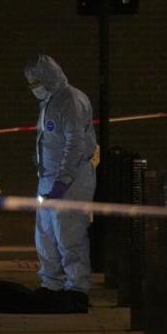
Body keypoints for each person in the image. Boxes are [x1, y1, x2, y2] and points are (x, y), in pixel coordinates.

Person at [23, 54, 97, 303]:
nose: (33, 87)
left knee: (69, 233)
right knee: (45, 234)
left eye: (35, 81)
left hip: (71, 180)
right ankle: (51, 282)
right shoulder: (50, 101)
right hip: (49, 178)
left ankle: (77, 287)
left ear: (47, 77)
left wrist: (63, 180)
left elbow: (74, 144)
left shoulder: (71, 101)